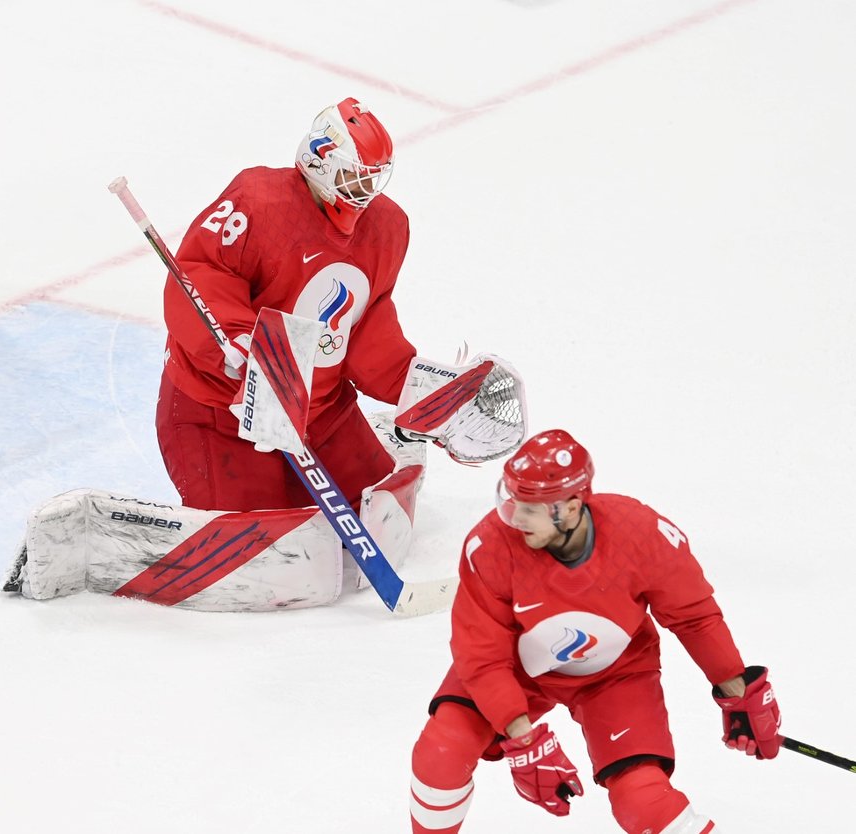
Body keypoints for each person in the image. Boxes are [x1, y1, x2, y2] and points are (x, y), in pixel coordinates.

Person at [409, 429, 782, 834]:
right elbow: (481, 654)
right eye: (511, 499)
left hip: (615, 676)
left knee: (643, 801)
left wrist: (736, 688)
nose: (513, 517)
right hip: (514, 668)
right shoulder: (491, 546)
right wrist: (522, 739)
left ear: (569, 509)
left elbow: (693, 616)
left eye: (528, 508)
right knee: (441, 751)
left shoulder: (640, 533)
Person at [156, 96, 416, 512]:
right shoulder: (258, 201)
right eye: (355, 176)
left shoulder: (387, 227)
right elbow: (203, 273)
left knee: (376, 503)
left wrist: (414, 386)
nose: (366, 191)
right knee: (255, 533)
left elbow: (365, 326)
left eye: (373, 179)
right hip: (223, 413)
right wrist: (238, 340)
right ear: (320, 161)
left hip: (321, 411)